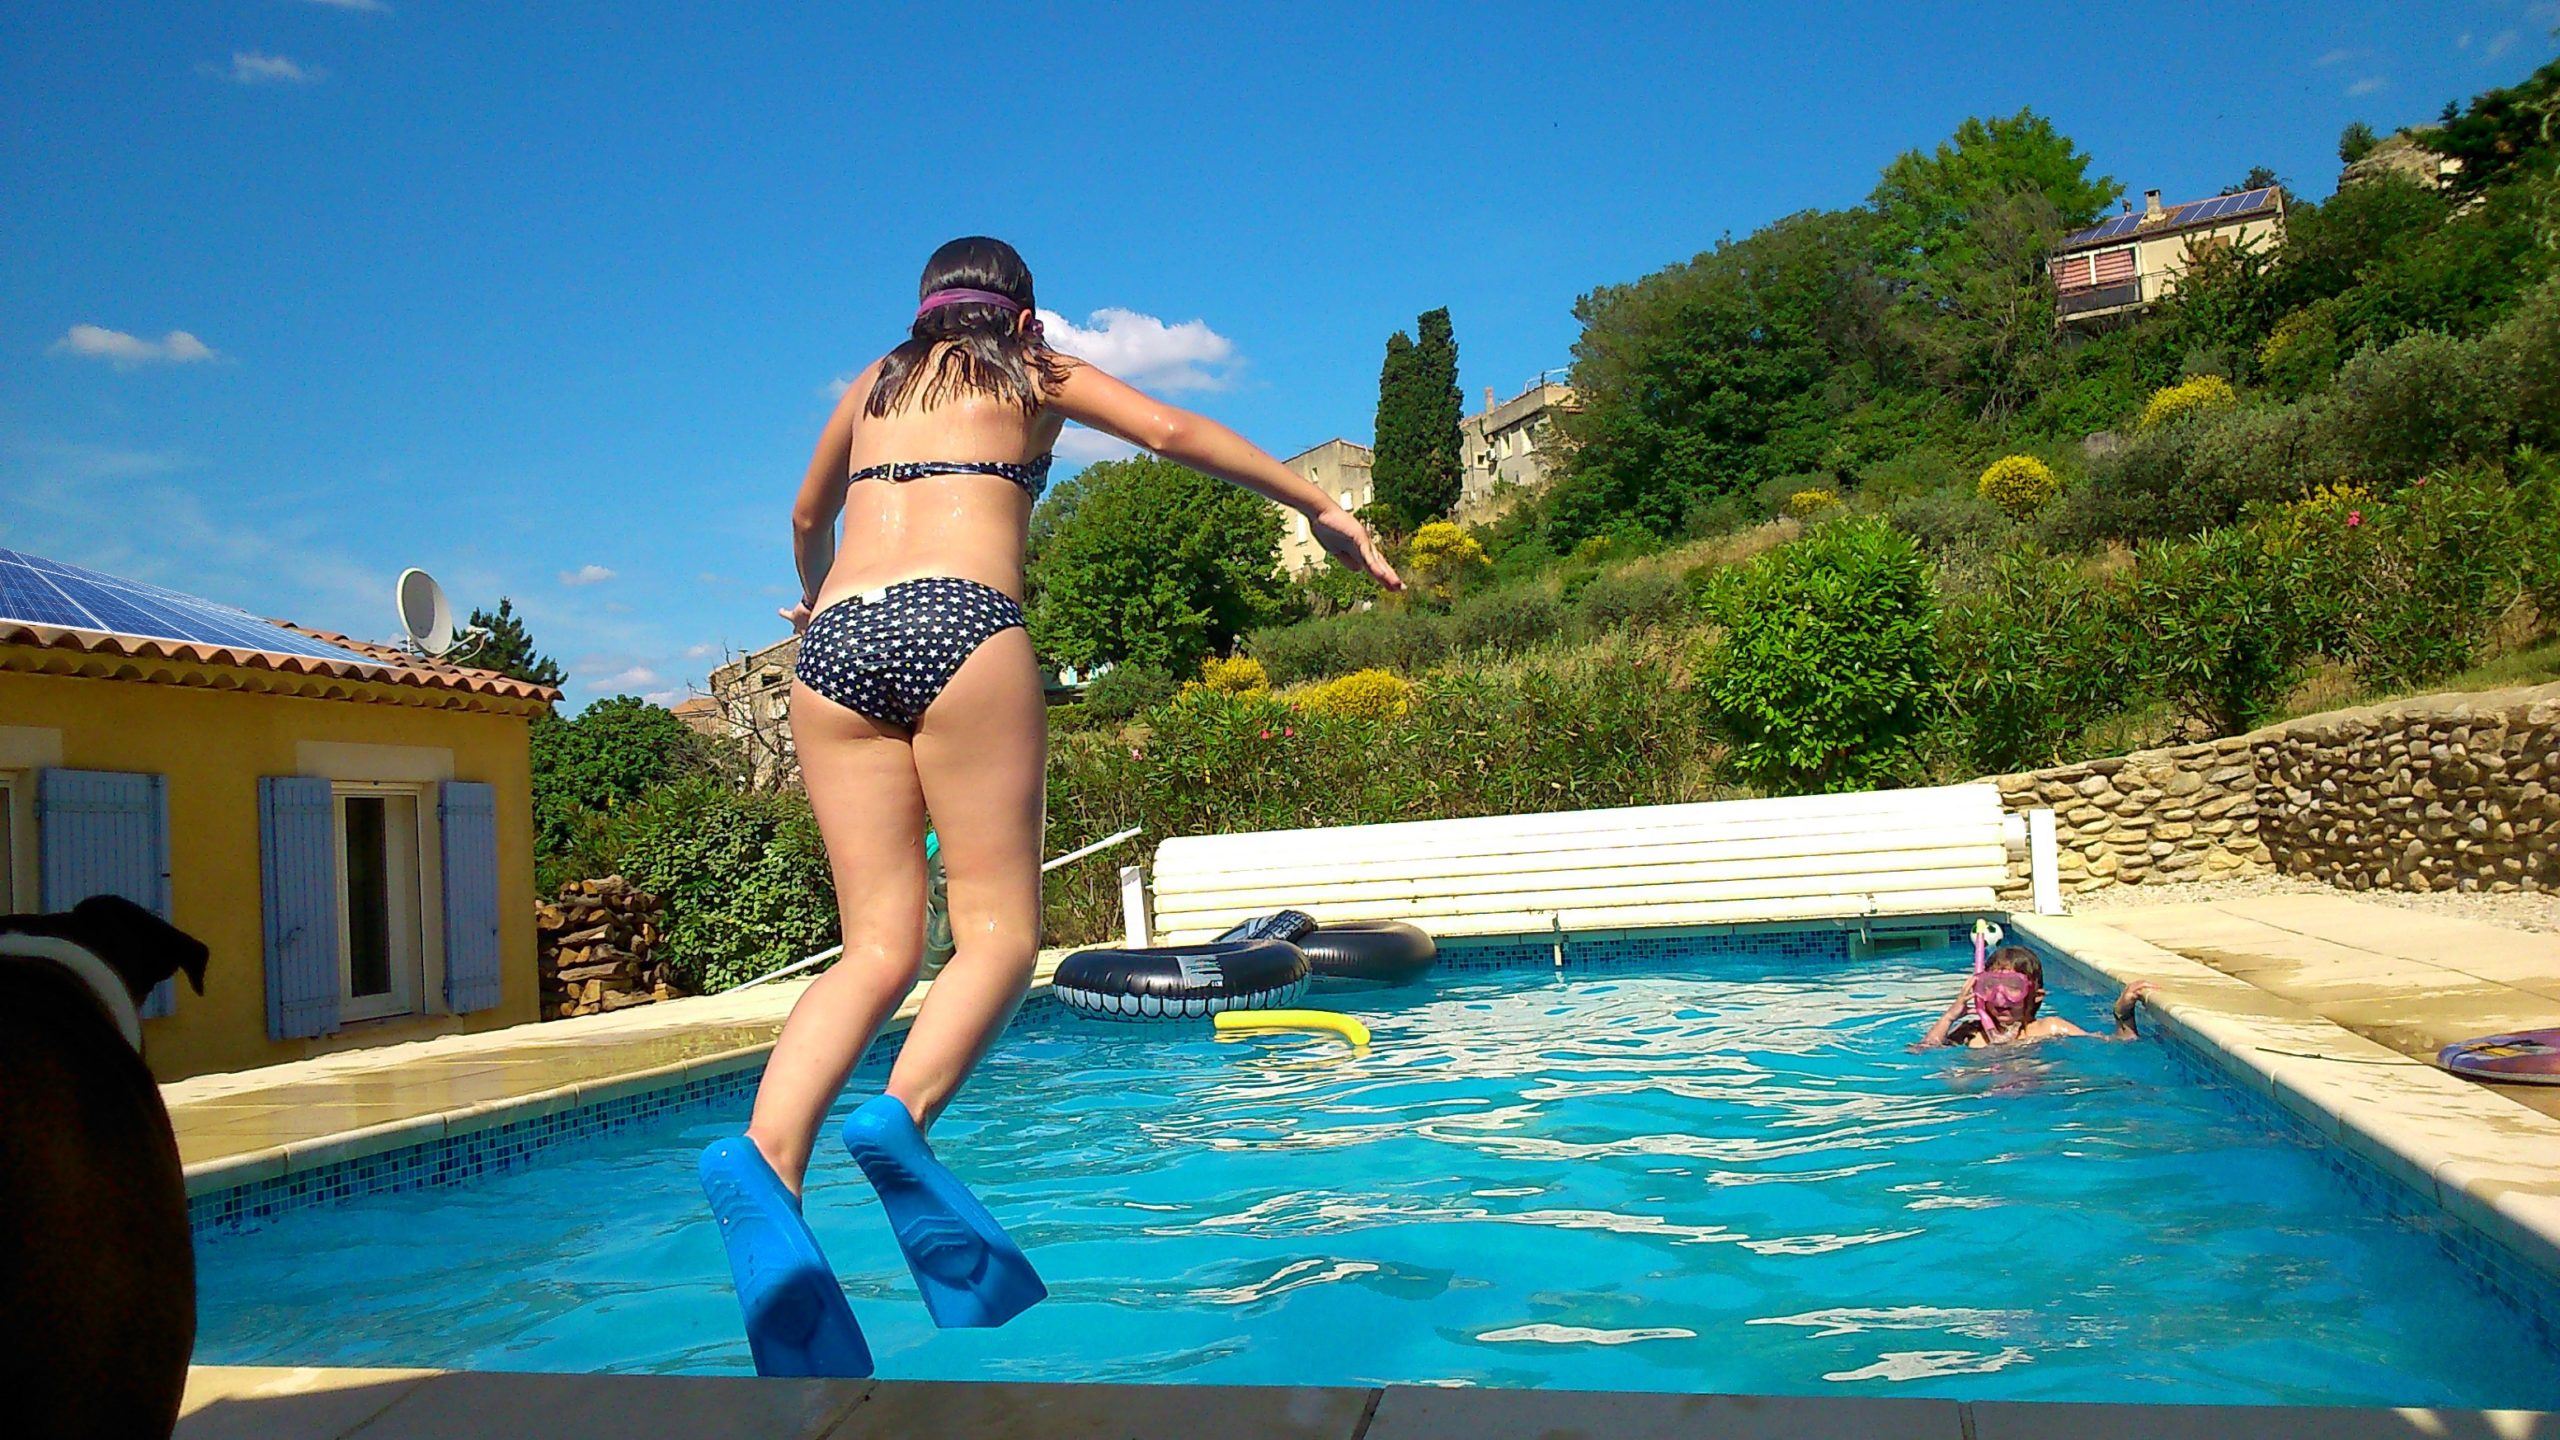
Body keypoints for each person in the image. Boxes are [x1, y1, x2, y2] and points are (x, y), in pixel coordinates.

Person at [697, 236, 1402, 1377]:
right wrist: (1321, 505)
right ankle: (898, 1120)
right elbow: (1176, 433)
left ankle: (769, 1158)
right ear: (1022, 317)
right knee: (998, 935)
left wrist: (819, 590)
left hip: (831, 642)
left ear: (924, 313)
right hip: (962, 622)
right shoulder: (1038, 375)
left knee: (874, 947)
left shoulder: (872, 384)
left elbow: (802, 509)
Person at [1918, 945, 2153, 1049]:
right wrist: (1949, 1017)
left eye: (2013, 987)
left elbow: (2122, 1043)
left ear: (2036, 996)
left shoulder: (2049, 1028)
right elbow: (1923, 1051)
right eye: (1990, 986)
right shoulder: (1972, 1032)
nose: (2000, 997)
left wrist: (2123, 1014)